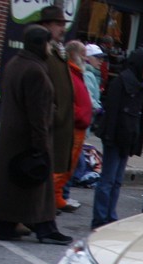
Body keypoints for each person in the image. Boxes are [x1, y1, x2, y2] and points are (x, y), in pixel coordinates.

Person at [0, 25, 71, 244]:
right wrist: (41, 147)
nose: (49, 48)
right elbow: (39, 115)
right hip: (28, 138)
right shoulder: (35, 70)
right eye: (48, 43)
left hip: (11, 136)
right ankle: (45, 227)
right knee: (36, 187)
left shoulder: (15, 63)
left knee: (13, 186)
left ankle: (5, 226)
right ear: (40, 44)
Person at [91, 47, 143, 229]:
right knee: (108, 179)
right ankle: (100, 217)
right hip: (115, 137)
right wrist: (110, 137)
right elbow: (112, 112)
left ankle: (110, 215)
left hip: (126, 137)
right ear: (141, 66)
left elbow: (140, 116)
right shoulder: (122, 82)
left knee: (117, 180)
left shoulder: (140, 86)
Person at [36, 5, 78, 215]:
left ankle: (46, 208)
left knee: (54, 169)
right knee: (43, 170)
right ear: (46, 26)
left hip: (60, 123)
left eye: (63, 24)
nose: (62, 28)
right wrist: (53, 113)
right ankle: (40, 212)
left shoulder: (57, 51)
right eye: (58, 24)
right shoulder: (43, 52)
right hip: (50, 122)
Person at [54, 41, 93, 215]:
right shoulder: (69, 73)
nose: (86, 57)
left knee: (70, 165)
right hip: (72, 127)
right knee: (62, 165)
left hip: (78, 127)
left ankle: (57, 196)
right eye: (83, 53)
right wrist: (78, 115)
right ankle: (53, 198)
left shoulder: (77, 73)